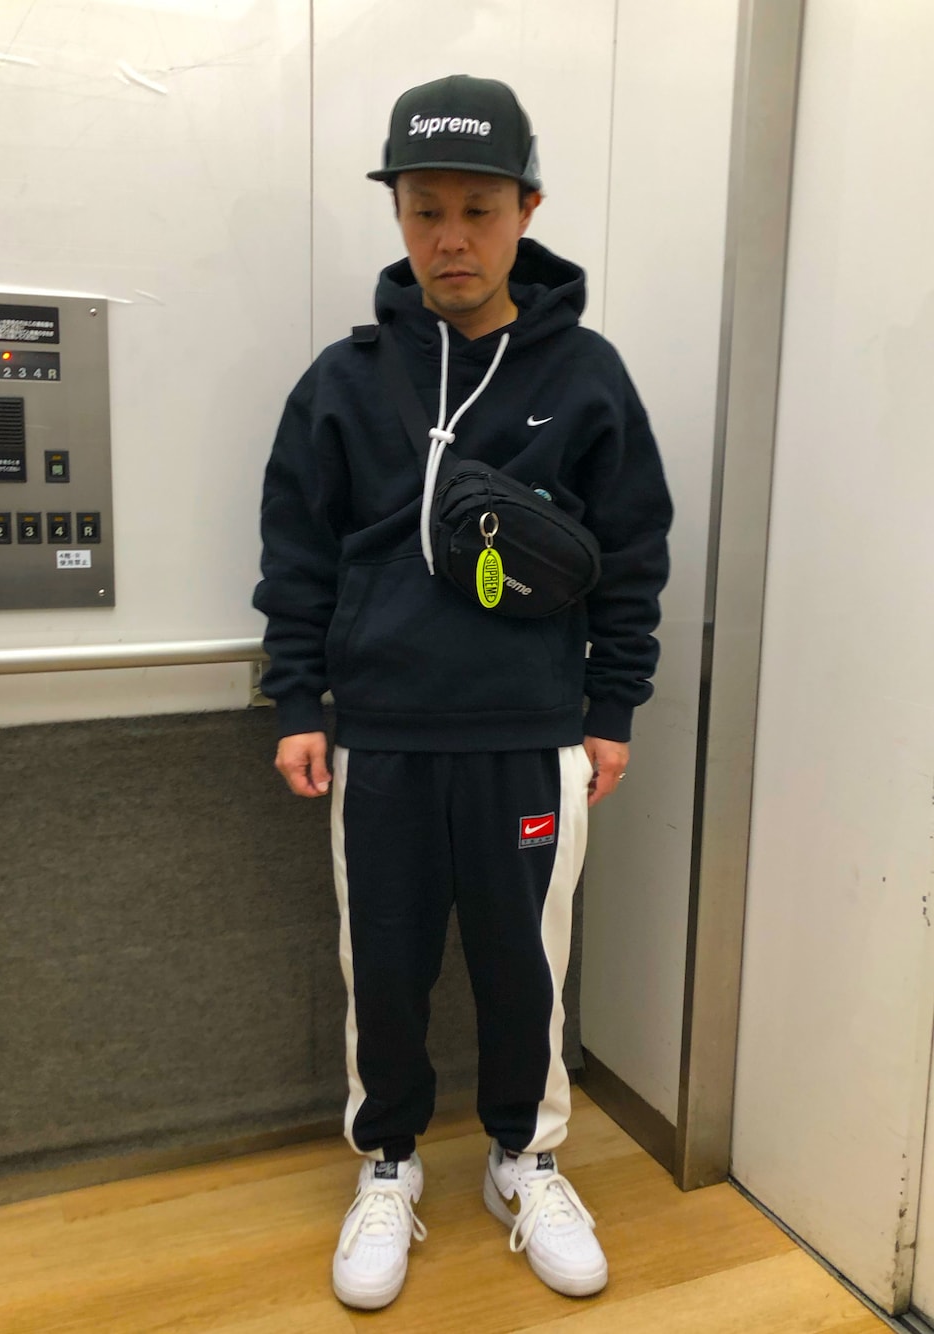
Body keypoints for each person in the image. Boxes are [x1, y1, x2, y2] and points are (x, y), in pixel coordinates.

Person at [254, 73, 672, 1310]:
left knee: (523, 968)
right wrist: (298, 700)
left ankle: (523, 1159)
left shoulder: (586, 375)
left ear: (525, 211)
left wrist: (610, 710)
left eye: (478, 210)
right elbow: (297, 550)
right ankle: (387, 1161)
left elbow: (633, 552)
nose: (451, 237)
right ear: (397, 212)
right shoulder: (343, 381)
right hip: (380, 737)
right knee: (381, 964)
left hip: (530, 735)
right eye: (425, 208)